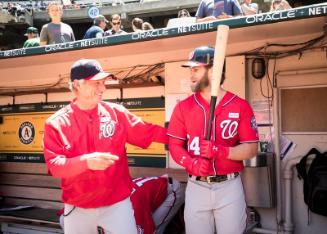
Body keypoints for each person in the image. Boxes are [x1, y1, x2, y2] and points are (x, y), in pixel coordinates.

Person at [43, 58, 168, 234]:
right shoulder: (56, 123)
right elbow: (55, 166)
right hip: (78, 207)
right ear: (78, 84)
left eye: (103, 83)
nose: (103, 88)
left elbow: (149, 132)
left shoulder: (116, 113)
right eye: (97, 83)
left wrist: (182, 138)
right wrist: (85, 162)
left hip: (117, 205)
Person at [167, 46, 259, 234]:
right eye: (190, 69)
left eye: (196, 69)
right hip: (196, 186)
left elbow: (251, 148)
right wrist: (190, 162)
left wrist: (221, 151)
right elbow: (174, 146)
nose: (191, 75)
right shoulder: (183, 108)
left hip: (229, 187)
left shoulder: (240, 106)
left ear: (214, 70)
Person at [59, 175, 185, 234]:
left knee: (153, 230)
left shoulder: (129, 206)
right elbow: (66, 217)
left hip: (172, 190)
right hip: (149, 192)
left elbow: (147, 229)